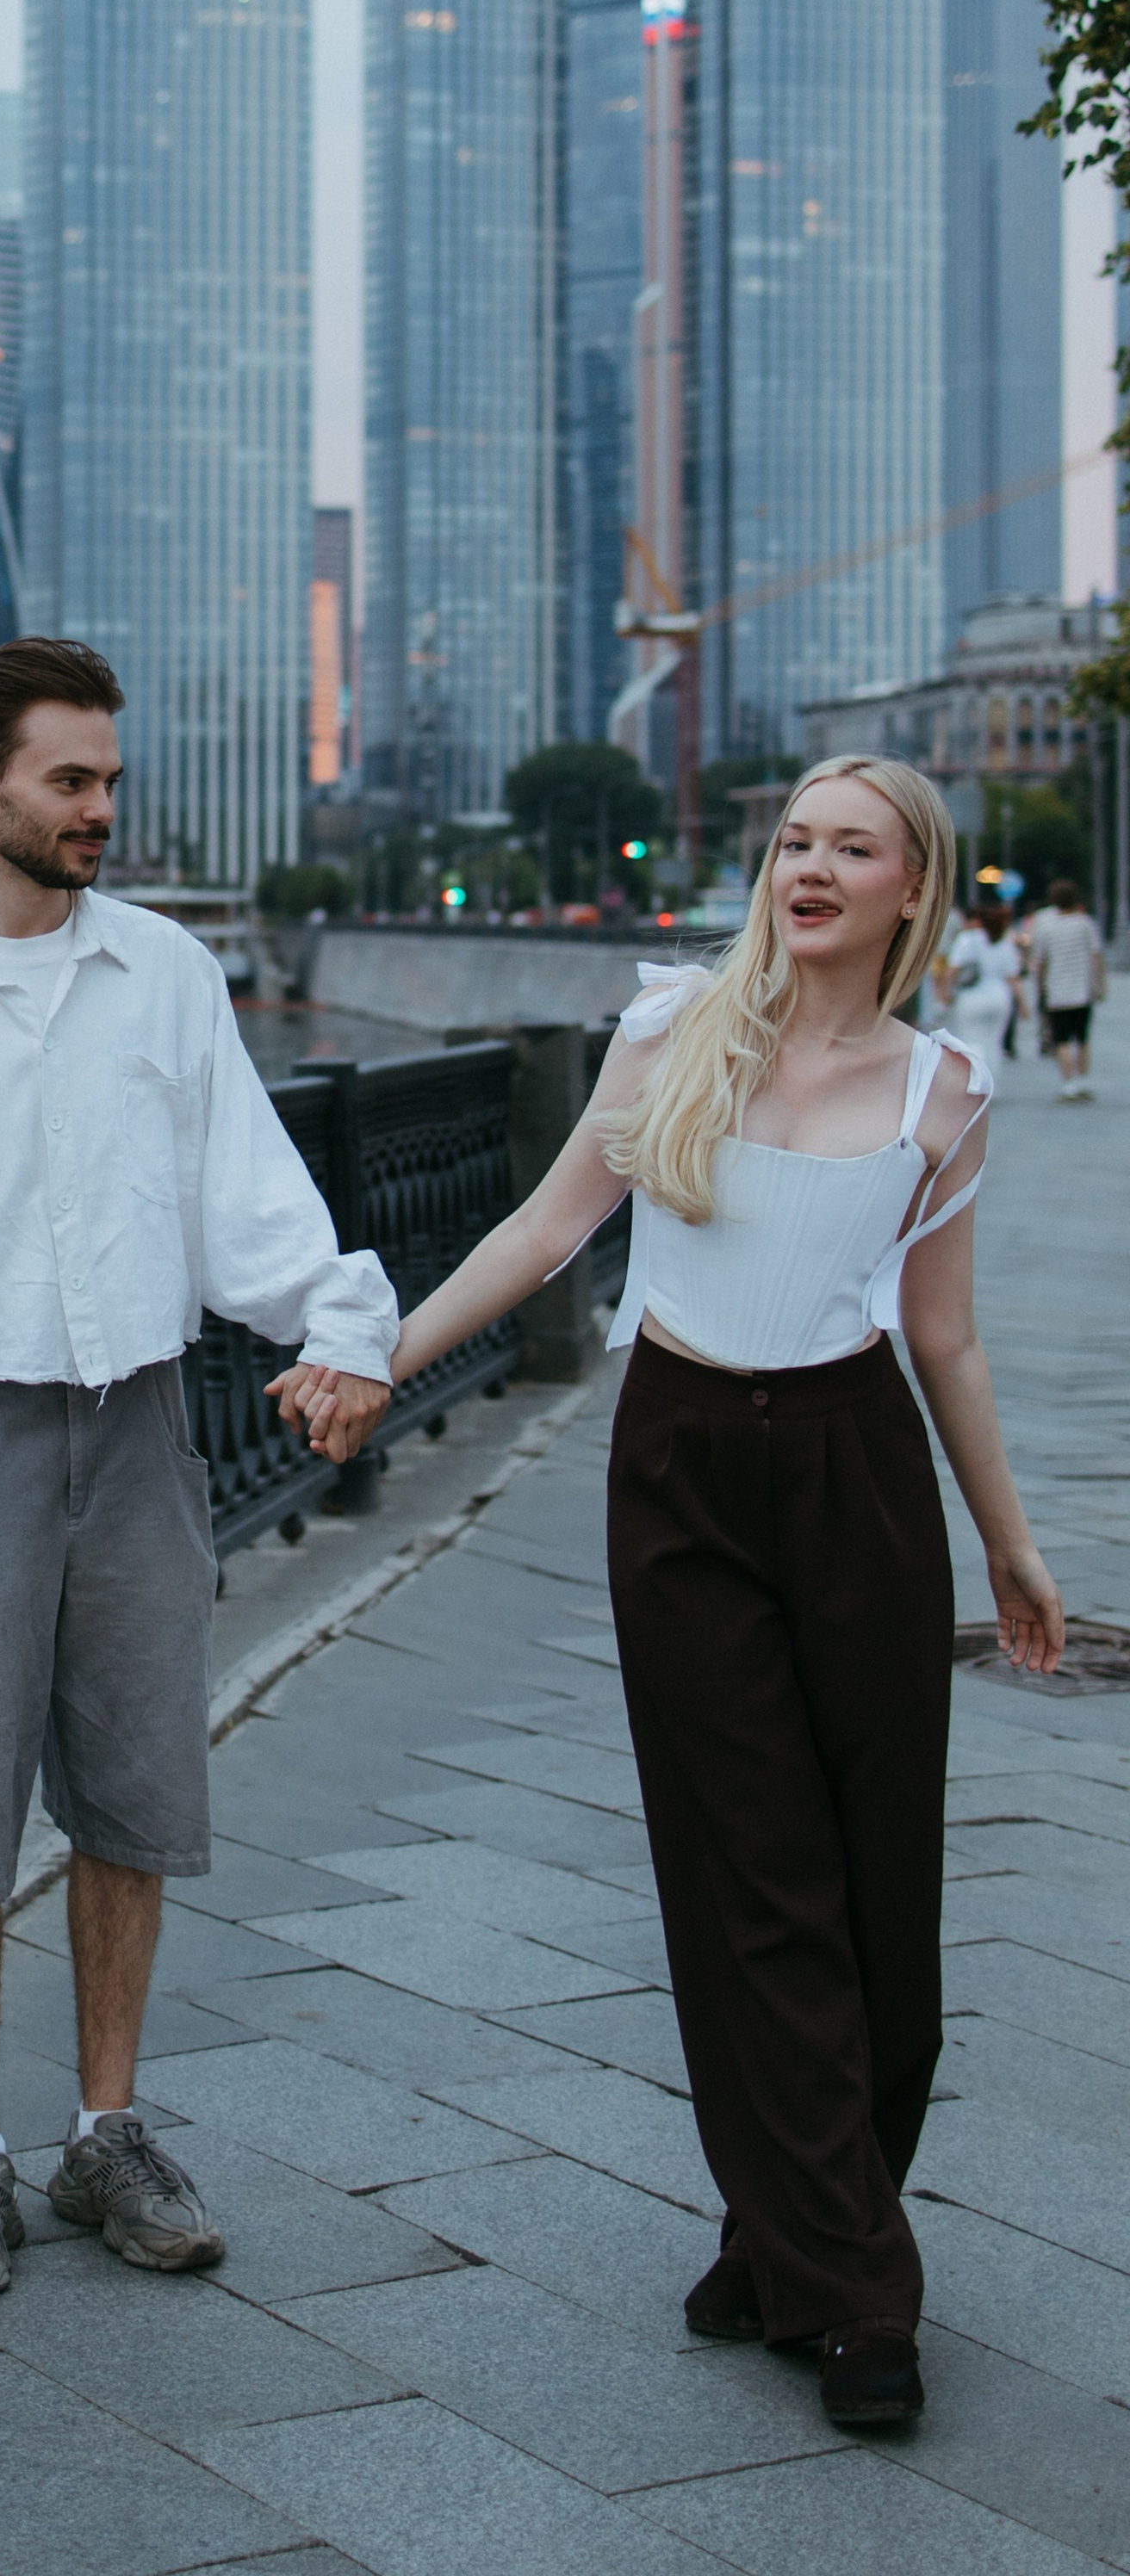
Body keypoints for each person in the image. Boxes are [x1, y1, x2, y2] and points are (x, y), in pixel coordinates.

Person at [288, 756, 1065, 2431]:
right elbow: (540, 1238)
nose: (807, 867)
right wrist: (376, 1366)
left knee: (883, 1902)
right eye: (792, 840)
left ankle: (780, 2234)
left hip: (858, 1478)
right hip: (683, 1474)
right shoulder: (669, 1034)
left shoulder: (944, 1090)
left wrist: (1009, 1544)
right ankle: (860, 2294)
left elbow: (941, 1337)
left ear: (910, 890)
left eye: (849, 848)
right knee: (752, 1877)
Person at [0, 636, 396, 2302]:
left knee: (134, 1792)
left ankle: (108, 2131)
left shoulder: (164, 974)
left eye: (110, 778)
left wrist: (342, 1326)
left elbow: (247, 1200)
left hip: (138, 1425)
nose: (103, 807)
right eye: (72, 781)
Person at [1027, 874, 1108, 1099]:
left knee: (1061, 1040)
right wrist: (1100, 984)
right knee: (1082, 1038)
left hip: (1057, 992)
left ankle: (1069, 1085)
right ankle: (1083, 1081)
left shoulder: (1046, 928)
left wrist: (1040, 987)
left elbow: (1040, 962)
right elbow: (1096, 956)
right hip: (1082, 991)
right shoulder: (1085, 924)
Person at [943, 899, 1018, 1081]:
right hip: (1000, 996)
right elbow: (1012, 977)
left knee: (972, 1041)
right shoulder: (1004, 941)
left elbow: (952, 970)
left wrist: (946, 993)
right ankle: (993, 1085)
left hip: (971, 997)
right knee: (994, 1043)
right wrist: (1023, 1004)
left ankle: (977, 1083)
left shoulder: (967, 939)